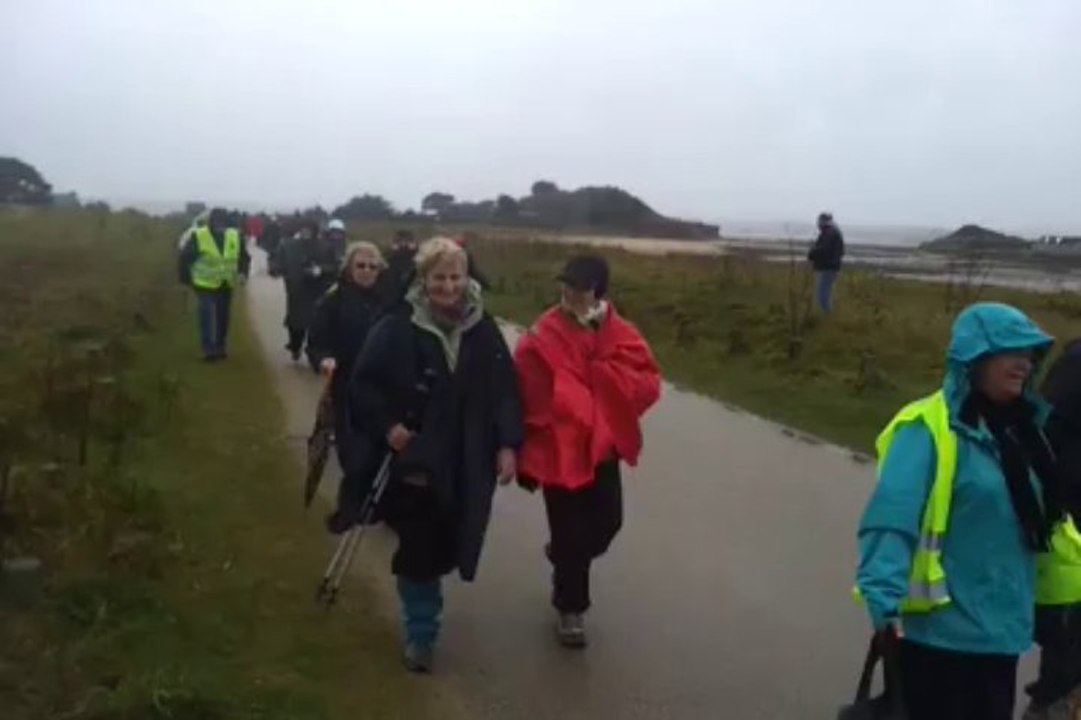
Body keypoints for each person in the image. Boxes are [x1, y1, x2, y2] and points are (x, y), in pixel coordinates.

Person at [855, 302, 1062, 720]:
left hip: (1002, 632)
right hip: (941, 638)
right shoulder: (927, 427)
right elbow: (892, 516)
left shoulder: (1023, 431)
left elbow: (1044, 524)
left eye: (1030, 354)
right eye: (1012, 352)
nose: (1024, 363)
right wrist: (883, 600)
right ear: (976, 357)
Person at [345, 236, 523, 673]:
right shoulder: (396, 326)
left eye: (456, 276)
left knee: (449, 541)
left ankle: (427, 603)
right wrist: (388, 426)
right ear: (423, 280)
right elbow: (363, 385)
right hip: (417, 460)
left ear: (467, 278)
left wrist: (507, 444)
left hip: (468, 458)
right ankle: (421, 633)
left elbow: (505, 391)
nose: (448, 286)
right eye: (439, 277)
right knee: (420, 550)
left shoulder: (484, 329)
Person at [514, 254, 661, 648]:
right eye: (566, 284)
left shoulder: (621, 332)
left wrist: (608, 386)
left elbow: (647, 380)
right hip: (558, 452)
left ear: (598, 290)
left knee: (607, 523)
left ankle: (563, 556)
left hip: (603, 452)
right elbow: (526, 388)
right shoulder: (543, 333)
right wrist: (528, 443)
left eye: (579, 286)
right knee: (569, 531)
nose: (570, 292)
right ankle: (571, 608)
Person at [307, 242, 390, 531]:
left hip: (385, 391)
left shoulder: (391, 301)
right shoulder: (334, 300)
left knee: (382, 452)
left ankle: (376, 506)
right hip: (347, 389)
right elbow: (316, 340)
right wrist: (324, 358)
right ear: (349, 268)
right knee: (355, 455)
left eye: (372, 266)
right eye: (361, 266)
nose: (367, 271)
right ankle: (348, 510)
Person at [1025, 338, 1081, 720]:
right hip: (1072, 514)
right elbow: (1045, 432)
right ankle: (1051, 703)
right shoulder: (1077, 363)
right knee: (1070, 626)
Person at [177, 207, 251, 361]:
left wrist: (243, 273)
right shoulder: (199, 236)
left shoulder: (235, 236)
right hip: (204, 283)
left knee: (223, 317)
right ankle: (208, 349)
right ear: (211, 223)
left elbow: (244, 257)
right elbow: (185, 258)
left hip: (226, 283)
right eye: (217, 224)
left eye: (223, 224)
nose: (220, 227)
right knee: (207, 313)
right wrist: (185, 280)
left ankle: (220, 346)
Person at [273, 220, 342, 364]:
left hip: (317, 291)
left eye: (309, 230)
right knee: (295, 323)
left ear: (315, 232)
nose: (306, 233)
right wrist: (276, 269)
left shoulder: (325, 247)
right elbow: (279, 261)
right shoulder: (288, 245)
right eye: (303, 229)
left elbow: (335, 267)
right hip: (296, 290)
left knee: (316, 324)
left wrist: (321, 269)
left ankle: (313, 353)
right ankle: (295, 346)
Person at [807, 211, 844, 313]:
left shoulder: (829, 233)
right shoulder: (833, 232)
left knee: (822, 294)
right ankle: (827, 314)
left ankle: (826, 314)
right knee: (827, 292)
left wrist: (812, 252)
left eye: (819, 221)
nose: (818, 224)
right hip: (831, 267)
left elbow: (823, 249)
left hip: (827, 267)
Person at [384, 229, 419, 300]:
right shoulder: (387, 261)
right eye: (400, 241)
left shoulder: (419, 262)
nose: (403, 244)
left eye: (407, 240)